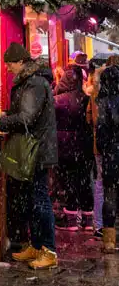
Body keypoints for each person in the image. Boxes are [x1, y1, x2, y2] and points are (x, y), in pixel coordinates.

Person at [0, 42, 58, 270]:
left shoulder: (34, 83)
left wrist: (2, 121)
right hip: (34, 149)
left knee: (40, 200)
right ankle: (37, 245)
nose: (8, 69)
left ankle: (49, 251)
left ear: (21, 62)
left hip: (37, 151)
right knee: (33, 200)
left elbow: (27, 118)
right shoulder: (31, 81)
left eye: (10, 64)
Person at [54, 64, 94, 230]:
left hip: (64, 146)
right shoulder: (86, 99)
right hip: (84, 144)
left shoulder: (57, 101)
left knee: (69, 181)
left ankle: (71, 220)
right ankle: (88, 220)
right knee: (84, 181)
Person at [95, 62, 119, 253]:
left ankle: (109, 241)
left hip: (112, 154)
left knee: (110, 195)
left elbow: (102, 131)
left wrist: (104, 151)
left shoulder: (104, 102)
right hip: (114, 150)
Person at [86, 57, 106, 237]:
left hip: (99, 142)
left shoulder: (93, 94)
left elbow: (89, 117)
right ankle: (105, 223)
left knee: (100, 183)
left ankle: (98, 224)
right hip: (109, 143)